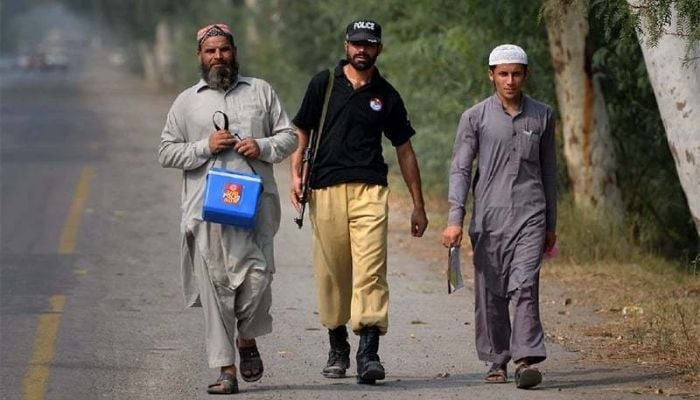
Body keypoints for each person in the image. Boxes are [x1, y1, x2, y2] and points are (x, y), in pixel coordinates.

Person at [158, 23, 297, 395]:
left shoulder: (261, 91)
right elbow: (166, 151)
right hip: (206, 212)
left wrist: (262, 146)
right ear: (200, 57)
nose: (218, 57)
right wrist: (205, 146)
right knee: (217, 288)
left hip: (254, 208)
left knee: (258, 279)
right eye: (210, 51)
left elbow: (289, 137)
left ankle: (247, 337)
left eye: (224, 50)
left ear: (234, 52)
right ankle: (226, 370)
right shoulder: (187, 101)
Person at [290, 19, 428, 384]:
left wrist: (418, 204)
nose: (361, 50)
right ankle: (337, 346)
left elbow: (404, 149)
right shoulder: (324, 83)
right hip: (324, 188)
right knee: (332, 272)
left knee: (370, 271)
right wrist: (296, 173)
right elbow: (302, 129)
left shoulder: (386, 94)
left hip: (370, 190)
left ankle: (369, 352)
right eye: (355, 43)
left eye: (368, 44)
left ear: (379, 48)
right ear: (345, 45)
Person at [441, 44, 557, 389]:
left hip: (531, 214)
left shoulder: (542, 115)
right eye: (503, 74)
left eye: (516, 74)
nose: (510, 80)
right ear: (491, 75)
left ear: (526, 75)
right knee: (491, 291)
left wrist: (552, 223)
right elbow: (461, 169)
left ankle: (526, 360)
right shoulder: (474, 117)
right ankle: (497, 358)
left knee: (524, 285)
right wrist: (454, 218)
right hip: (488, 218)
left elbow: (550, 171)